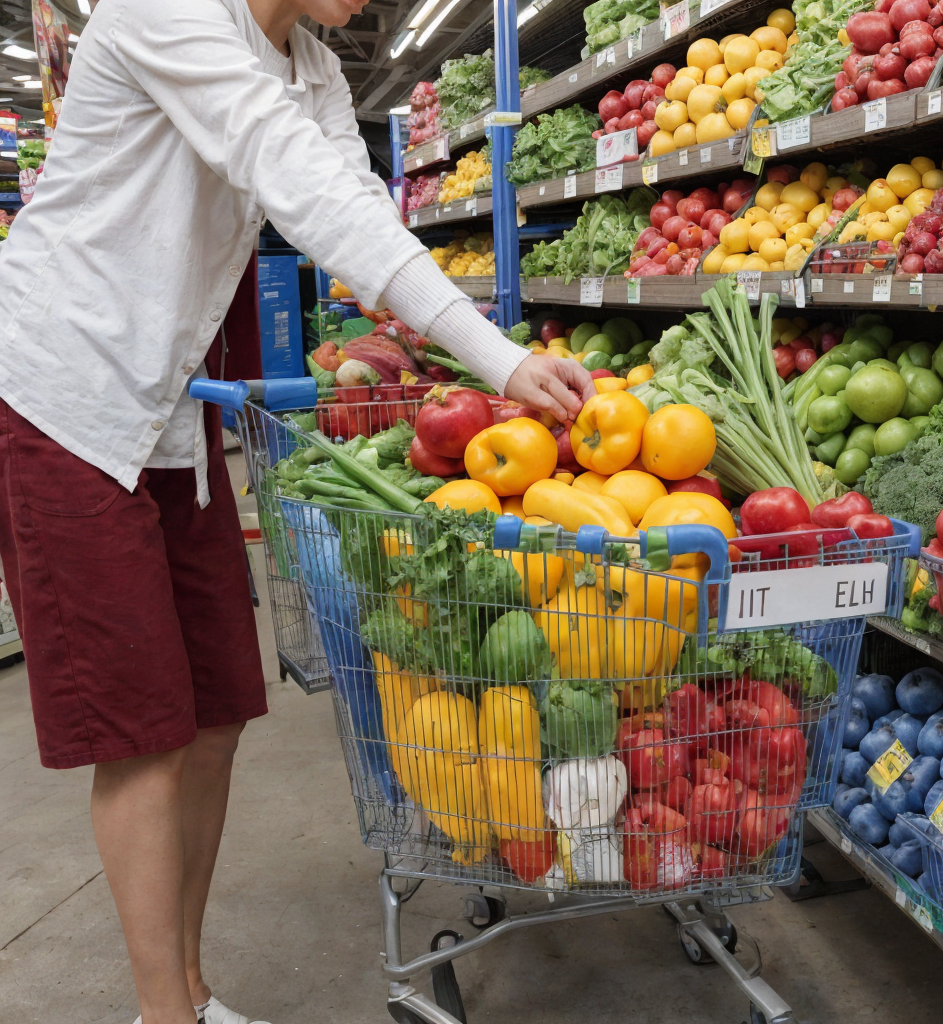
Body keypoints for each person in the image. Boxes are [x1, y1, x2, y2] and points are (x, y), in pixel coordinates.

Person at [0, 0, 592, 1019]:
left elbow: (356, 203)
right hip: (66, 397)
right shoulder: (165, 13)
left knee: (220, 708)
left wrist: (474, 351)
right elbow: (301, 185)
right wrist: (499, 356)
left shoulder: (312, 68)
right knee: (143, 730)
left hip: (171, 412)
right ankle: (166, 1014)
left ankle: (185, 988)